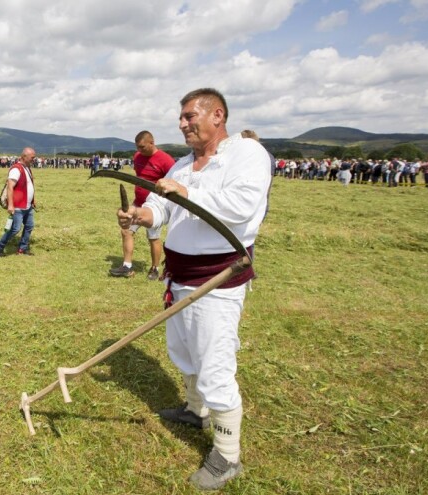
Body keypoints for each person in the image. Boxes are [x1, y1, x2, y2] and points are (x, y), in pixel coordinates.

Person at [117, 88, 271, 490]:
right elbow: (162, 209)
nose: (182, 123)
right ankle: (195, 410)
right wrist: (139, 215)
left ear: (217, 115)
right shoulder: (183, 164)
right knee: (183, 351)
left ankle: (227, 456)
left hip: (217, 278)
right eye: (181, 118)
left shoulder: (247, 154)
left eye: (189, 116)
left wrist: (188, 193)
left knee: (214, 364)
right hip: (179, 277)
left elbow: (241, 206)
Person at [109, 131, 175, 279]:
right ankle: (127, 266)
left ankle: (155, 268)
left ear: (152, 143)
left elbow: (173, 183)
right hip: (137, 203)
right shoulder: (137, 156)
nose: (139, 150)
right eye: (137, 147)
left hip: (155, 207)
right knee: (126, 231)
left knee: (153, 237)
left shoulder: (166, 161)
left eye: (143, 147)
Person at [0, 147, 37, 257]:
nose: (34, 159)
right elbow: (10, 187)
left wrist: (33, 200)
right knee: (15, 229)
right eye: (32, 157)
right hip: (18, 206)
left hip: (27, 205)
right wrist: (11, 205)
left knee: (29, 226)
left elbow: (28, 185)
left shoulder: (27, 168)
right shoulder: (16, 169)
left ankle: (22, 249)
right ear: (24, 157)